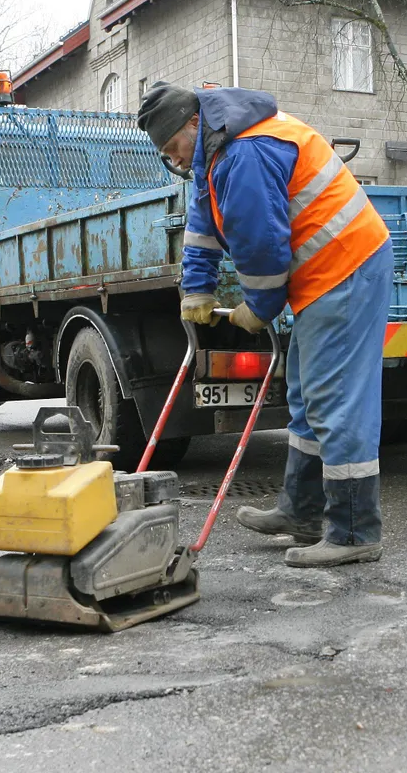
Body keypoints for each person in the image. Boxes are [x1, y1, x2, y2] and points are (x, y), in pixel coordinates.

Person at [138, 82, 393, 569]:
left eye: (173, 147)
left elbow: (261, 246)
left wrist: (258, 306)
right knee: (305, 395)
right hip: (324, 274)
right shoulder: (214, 152)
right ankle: (302, 511)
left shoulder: (246, 153)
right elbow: (203, 223)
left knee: (334, 401)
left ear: (194, 124)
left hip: (346, 267)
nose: (174, 160)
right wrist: (197, 288)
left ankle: (355, 532)